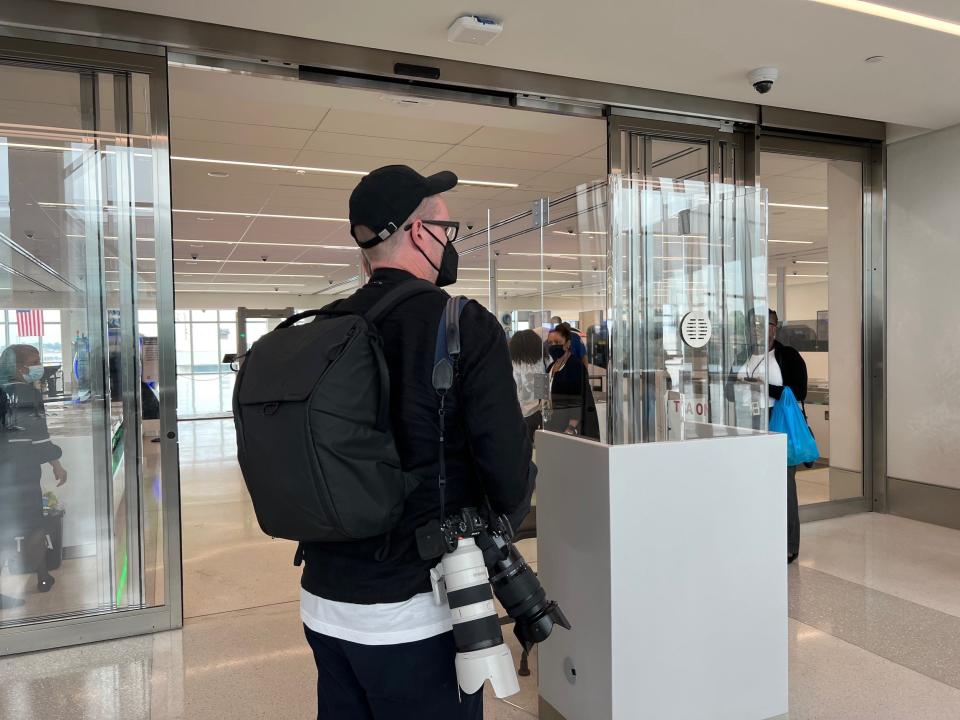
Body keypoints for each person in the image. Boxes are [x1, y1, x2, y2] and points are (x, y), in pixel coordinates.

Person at [299, 165, 533, 720]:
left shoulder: (325, 325)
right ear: (420, 232)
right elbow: (506, 473)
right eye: (448, 230)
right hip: (418, 608)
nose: (451, 242)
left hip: (325, 600)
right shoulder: (463, 324)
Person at [0, 344, 67, 607]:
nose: (39, 366)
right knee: (32, 525)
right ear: (19, 368)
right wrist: (56, 464)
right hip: (24, 472)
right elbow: (39, 436)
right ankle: (41, 576)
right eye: (35, 362)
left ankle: (41, 575)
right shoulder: (28, 392)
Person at [741, 310, 807, 564]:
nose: (758, 329)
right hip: (747, 423)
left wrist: (762, 386)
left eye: (765, 324)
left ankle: (789, 544)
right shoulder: (742, 355)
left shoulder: (787, 355)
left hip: (777, 422)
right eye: (753, 325)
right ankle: (758, 537)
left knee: (784, 485)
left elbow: (798, 391)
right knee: (753, 484)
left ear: (774, 328)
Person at [544, 323, 600, 440]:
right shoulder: (549, 368)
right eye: (550, 343)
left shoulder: (575, 366)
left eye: (557, 342)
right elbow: (541, 397)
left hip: (568, 428)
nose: (553, 346)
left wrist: (570, 428)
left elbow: (578, 400)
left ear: (567, 344)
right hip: (550, 425)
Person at [509, 329, 545, 444]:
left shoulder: (511, 364)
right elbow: (543, 392)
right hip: (536, 413)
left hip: (515, 413)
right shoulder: (542, 362)